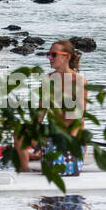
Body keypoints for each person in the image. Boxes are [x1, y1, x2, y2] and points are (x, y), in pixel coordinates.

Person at [14, 40, 87, 175]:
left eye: (54, 55)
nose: (49, 58)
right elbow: (41, 113)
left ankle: (41, 155)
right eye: (48, 55)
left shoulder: (78, 81)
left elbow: (79, 118)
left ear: (67, 57)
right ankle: (24, 170)